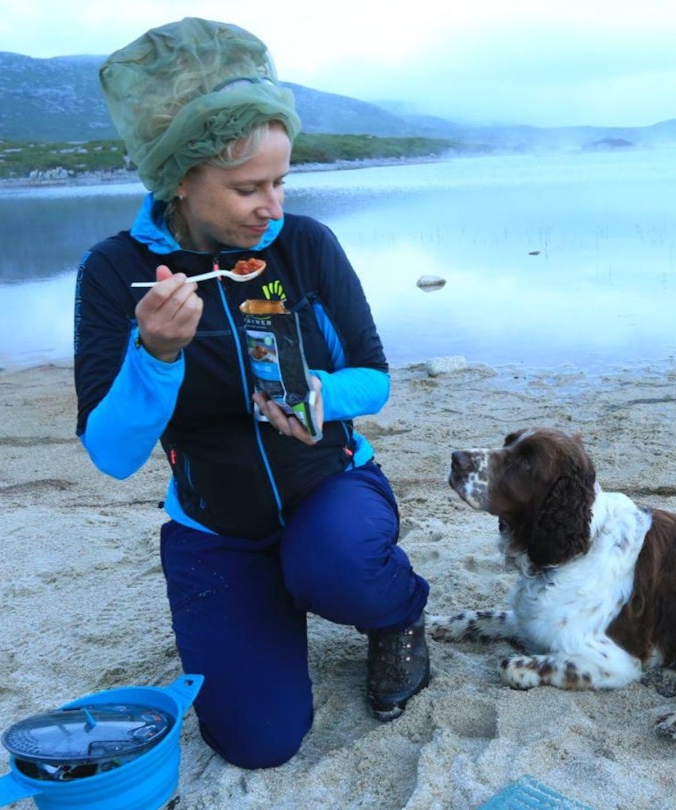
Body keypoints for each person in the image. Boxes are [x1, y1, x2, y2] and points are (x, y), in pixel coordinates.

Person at [72, 17, 430, 769]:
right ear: (178, 179)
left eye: (281, 181)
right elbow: (110, 451)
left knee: (337, 566)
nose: (273, 206)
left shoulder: (303, 247)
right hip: (215, 528)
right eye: (247, 189)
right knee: (257, 743)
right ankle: (268, 602)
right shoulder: (114, 273)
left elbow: (375, 378)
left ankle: (397, 614)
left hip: (330, 488)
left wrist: (316, 396)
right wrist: (157, 355)